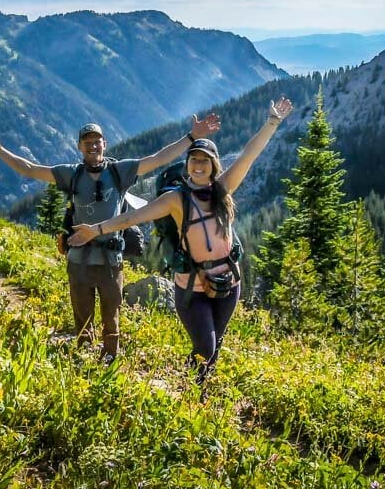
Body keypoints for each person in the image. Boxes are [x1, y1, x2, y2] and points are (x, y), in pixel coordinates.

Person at [68, 97, 293, 386]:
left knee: (214, 345)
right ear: (187, 165)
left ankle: (197, 392)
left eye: (204, 161)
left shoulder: (222, 190)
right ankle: (191, 390)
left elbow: (249, 155)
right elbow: (130, 219)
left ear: (213, 165)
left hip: (229, 283)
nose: (199, 165)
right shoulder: (176, 199)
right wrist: (96, 229)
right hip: (192, 287)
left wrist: (272, 122)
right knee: (206, 348)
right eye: (194, 160)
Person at [0, 114, 221, 360]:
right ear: (79, 147)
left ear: (104, 143)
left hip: (111, 259)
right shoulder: (71, 174)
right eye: (87, 142)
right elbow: (30, 170)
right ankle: (82, 354)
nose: (92, 145)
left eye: (96, 141)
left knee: (111, 314)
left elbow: (157, 159)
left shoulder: (119, 172)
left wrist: (191, 137)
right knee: (82, 313)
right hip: (79, 257)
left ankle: (110, 355)